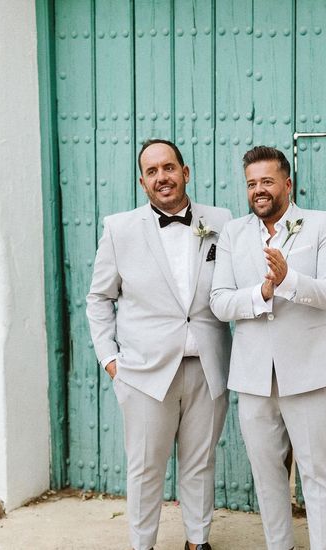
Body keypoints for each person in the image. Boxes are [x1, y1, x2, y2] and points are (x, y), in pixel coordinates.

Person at [86, 139, 232, 550]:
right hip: (145, 371)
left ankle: (197, 541)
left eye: (169, 168)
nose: (161, 177)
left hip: (207, 363)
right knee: (146, 467)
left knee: (200, 462)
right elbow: (99, 298)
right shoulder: (119, 228)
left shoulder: (222, 220)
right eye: (152, 172)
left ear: (186, 172)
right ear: (142, 181)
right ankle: (142, 545)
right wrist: (110, 359)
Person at [209, 146, 326, 550]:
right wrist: (262, 292)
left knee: (316, 472)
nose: (259, 190)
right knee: (267, 473)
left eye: (267, 181)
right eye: (252, 183)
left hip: (311, 372)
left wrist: (289, 280)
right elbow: (220, 302)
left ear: (287, 184)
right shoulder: (233, 233)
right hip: (254, 377)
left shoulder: (321, 224)